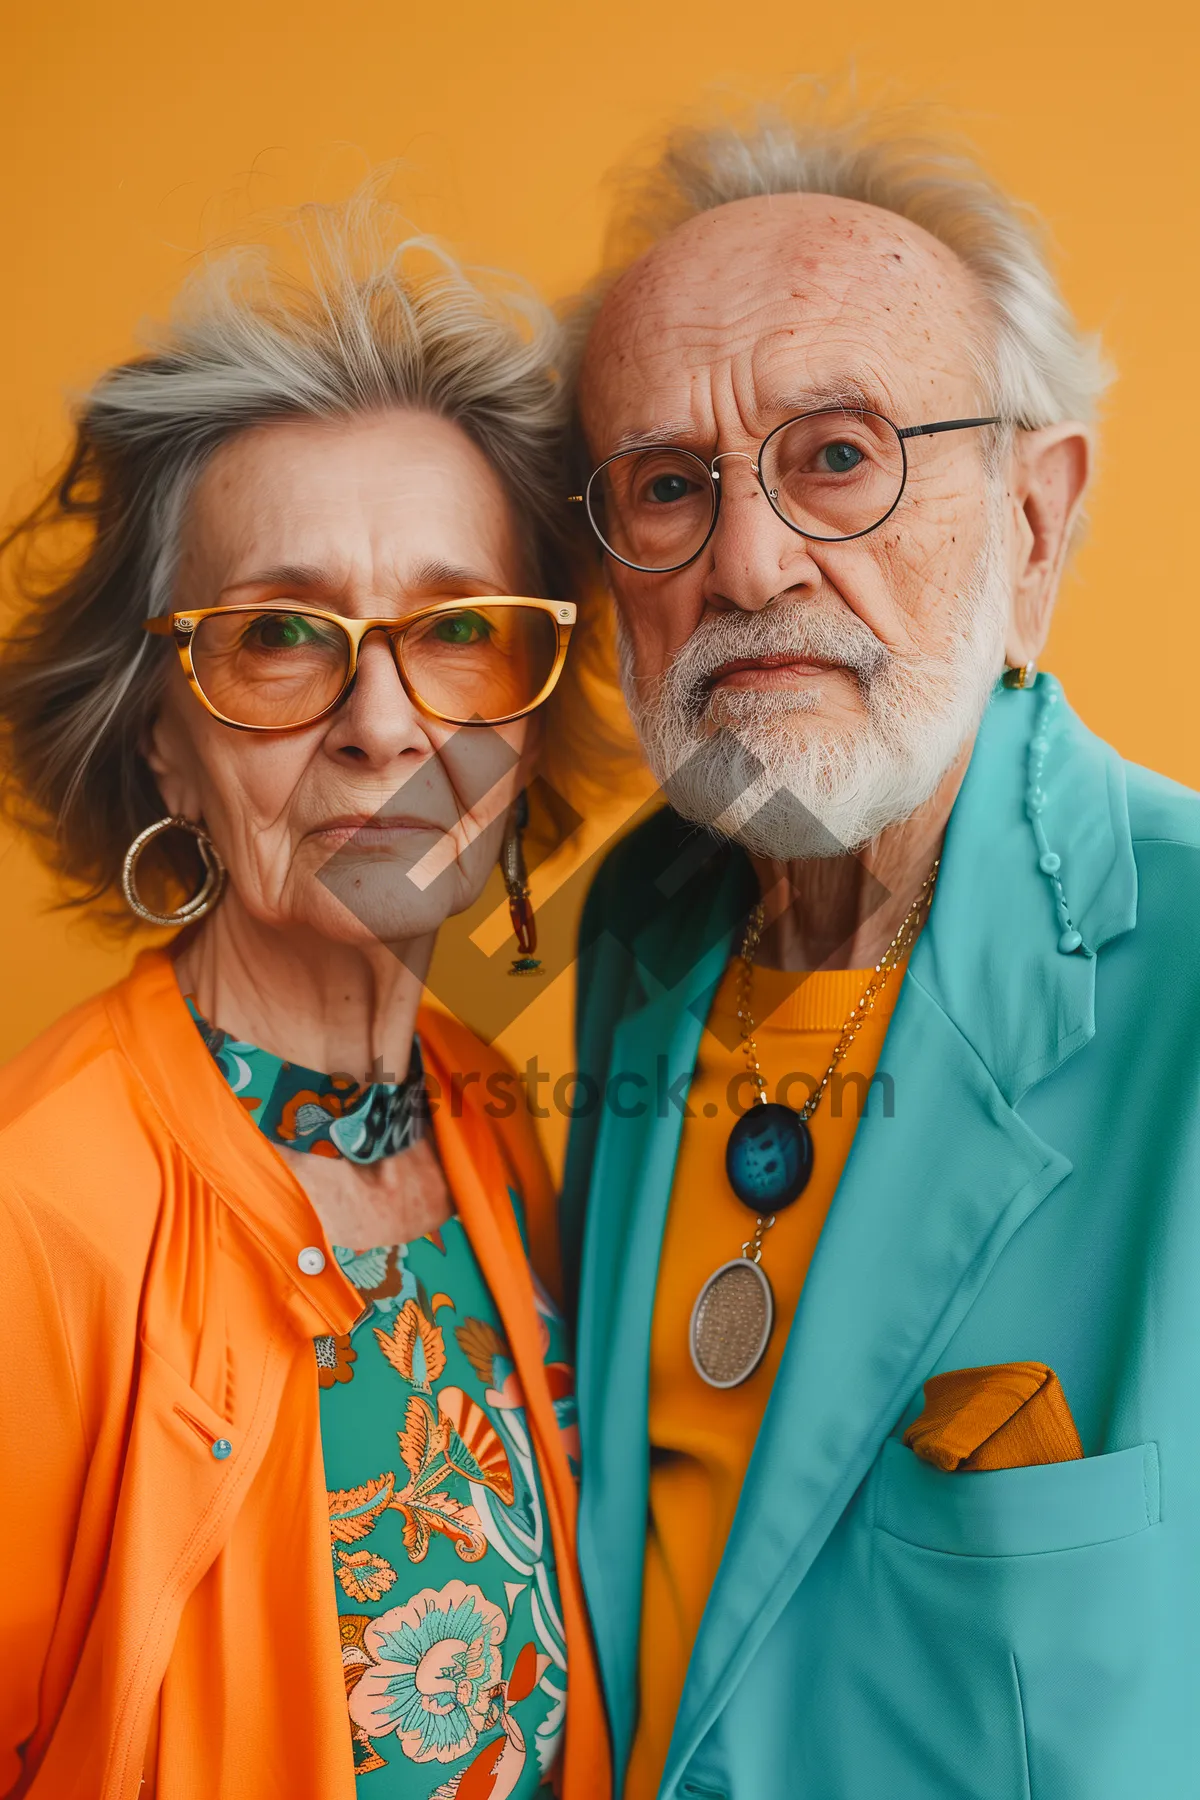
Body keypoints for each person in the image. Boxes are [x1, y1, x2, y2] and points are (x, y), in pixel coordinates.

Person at [560, 107, 1200, 1799]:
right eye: (667, 488)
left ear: (1037, 520)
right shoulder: (633, 929)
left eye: (837, 455)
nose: (748, 562)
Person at [0, 202, 609, 1800]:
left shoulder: (489, 1116)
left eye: (459, 632)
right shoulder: (35, 1210)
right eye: (281, 636)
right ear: (159, 740)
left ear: (530, 726)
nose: (384, 724)